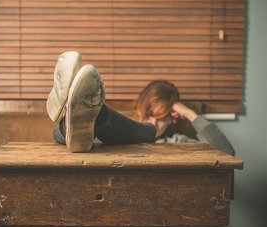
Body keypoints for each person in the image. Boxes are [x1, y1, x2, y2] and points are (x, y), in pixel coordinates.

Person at [47, 51, 235, 156]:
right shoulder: (116, 131)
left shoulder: (178, 142)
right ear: (140, 108)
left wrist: (190, 113)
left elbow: (226, 153)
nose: (153, 122)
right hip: (94, 142)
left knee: (146, 132)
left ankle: (82, 106)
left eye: (161, 117)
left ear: (172, 119)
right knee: (71, 131)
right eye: (150, 114)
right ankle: (77, 108)